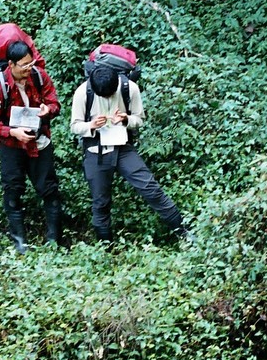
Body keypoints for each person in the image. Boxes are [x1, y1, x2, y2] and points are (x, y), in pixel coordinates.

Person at [70, 63, 188, 242]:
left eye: (110, 94)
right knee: (100, 202)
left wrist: (126, 120)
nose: (107, 98)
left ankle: (184, 233)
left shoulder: (129, 88)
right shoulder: (82, 92)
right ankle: (106, 247)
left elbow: (139, 119)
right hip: (96, 149)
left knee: (151, 189)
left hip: (123, 147)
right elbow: (75, 126)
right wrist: (91, 125)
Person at [0, 41, 61, 253]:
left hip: (39, 142)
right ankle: (20, 244)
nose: (28, 68)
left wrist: (48, 110)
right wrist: (13, 132)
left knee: (49, 189)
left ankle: (54, 241)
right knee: (12, 190)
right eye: (24, 65)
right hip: (12, 146)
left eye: (30, 63)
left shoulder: (39, 76)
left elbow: (55, 103)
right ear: (11, 64)